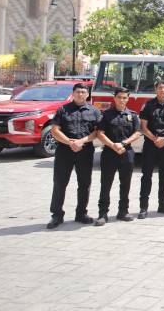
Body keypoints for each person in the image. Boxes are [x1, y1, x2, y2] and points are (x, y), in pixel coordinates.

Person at [46, 83, 102, 229]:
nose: (80, 94)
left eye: (83, 92)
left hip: (85, 151)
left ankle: (81, 213)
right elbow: (54, 130)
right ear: (73, 93)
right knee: (59, 184)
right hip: (64, 151)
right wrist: (70, 142)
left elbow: (97, 132)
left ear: (87, 94)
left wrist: (81, 141)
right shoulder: (63, 110)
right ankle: (57, 215)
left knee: (84, 184)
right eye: (78, 92)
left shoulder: (94, 111)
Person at [95, 87, 142, 226]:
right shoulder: (106, 115)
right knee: (106, 184)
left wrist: (123, 143)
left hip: (126, 153)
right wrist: (113, 145)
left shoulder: (132, 115)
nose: (122, 100)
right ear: (114, 98)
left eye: (124, 98)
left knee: (125, 183)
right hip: (109, 153)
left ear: (128, 99)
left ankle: (123, 211)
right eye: (119, 97)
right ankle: (102, 214)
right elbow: (100, 133)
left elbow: (137, 132)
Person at [138, 80, 164, 219]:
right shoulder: (148, 105)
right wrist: (155, 139)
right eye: (160, 88)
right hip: (150, 144)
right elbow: (143, 127)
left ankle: (163, 205)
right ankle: (143, 207)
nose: (162, 90)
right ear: (155, 89)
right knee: (146, 176)